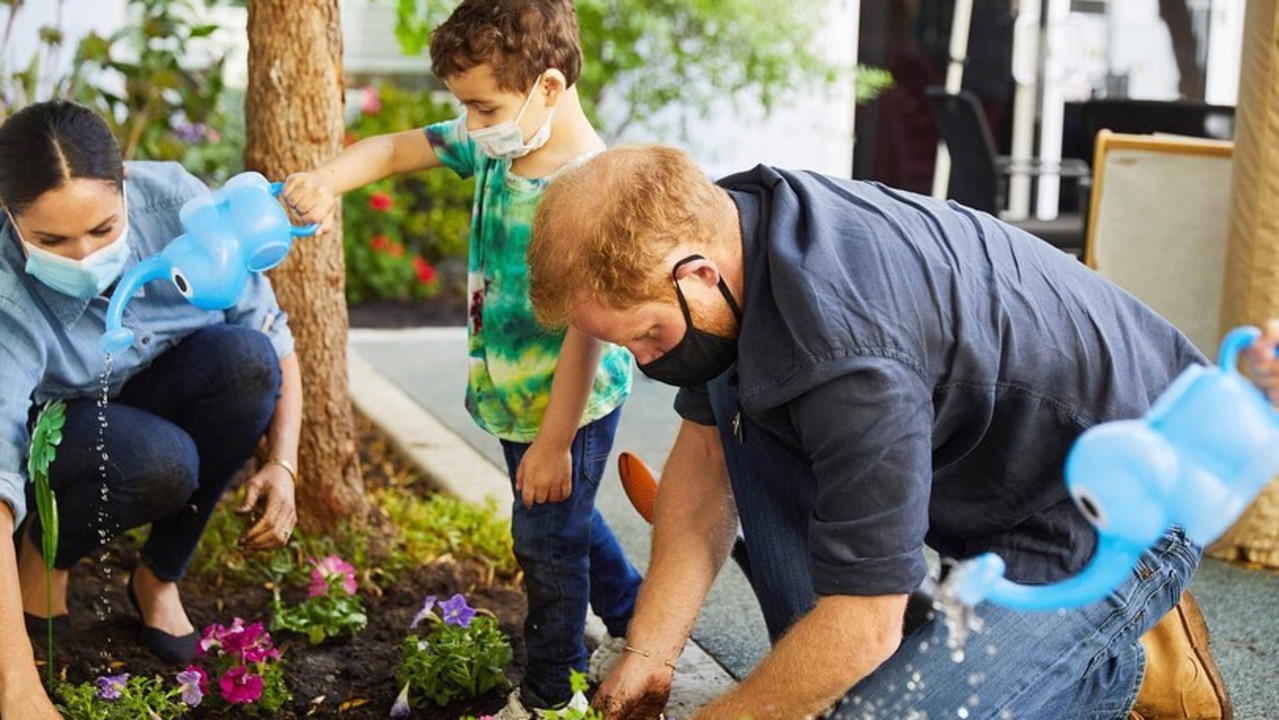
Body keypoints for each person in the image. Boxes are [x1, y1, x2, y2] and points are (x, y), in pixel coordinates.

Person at [526, 144, 1276, 719]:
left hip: (1111, 516)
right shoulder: (735, 234)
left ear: (694, 274)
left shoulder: (846, 346)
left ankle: (1118, 659)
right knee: (735, 411)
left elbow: (862, 628)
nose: (644, 360)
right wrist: (651, 651)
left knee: (878, 705)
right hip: (993, 480)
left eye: (646, 336)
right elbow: (706, 466)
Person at [282, 1, 642, 714]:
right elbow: (390, 150)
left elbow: (587, 331)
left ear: (546, 85)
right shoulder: (497, 140)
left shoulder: (589, 189)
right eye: (465, 108)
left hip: (567, 404)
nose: (471, 123)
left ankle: (551, 693)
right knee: (561, 521)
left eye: (482, 106)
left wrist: (554, 440)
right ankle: (637, 618)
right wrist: (324, 179)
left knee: (544, 541)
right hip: (513, 399)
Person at [0, 100, 301, 718]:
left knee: (245, 361)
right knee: (160, 461)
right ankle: (46, 551)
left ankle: (159, 576)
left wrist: (285, 463)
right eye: (52, 239)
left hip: (153, 391)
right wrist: (18, 688)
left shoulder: (180, 208)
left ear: (125, 187)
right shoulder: (6, 294)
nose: (82, 256)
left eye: (103, 229)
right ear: (9, 216)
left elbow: (274, 336)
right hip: (61, 436)